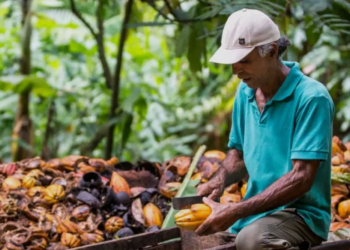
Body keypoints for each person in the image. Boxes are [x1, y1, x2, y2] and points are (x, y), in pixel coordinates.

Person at [195, 8, 334, 250]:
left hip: (300, 213)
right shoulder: (245, 93)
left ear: (271, 51)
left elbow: (301, 178)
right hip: (256, 211)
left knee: (252, 241)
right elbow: (238, 156)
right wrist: (219, 180)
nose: (236, 72)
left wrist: (236, 210)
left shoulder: (312, 98)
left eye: (244, 62)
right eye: (232, 63)